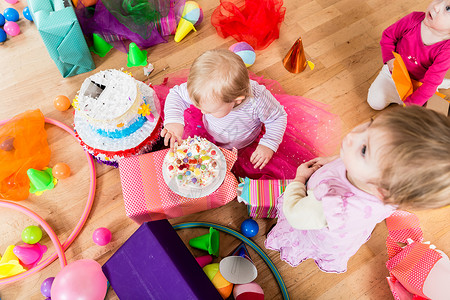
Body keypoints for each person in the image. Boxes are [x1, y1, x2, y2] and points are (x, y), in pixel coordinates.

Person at [265, 106, 450, 273]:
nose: (352, 136)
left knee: (295, 227)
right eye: (370, 125)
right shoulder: (386, 187)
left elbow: (295, 214)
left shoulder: (336, 205)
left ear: (383, 191)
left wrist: (299, 179)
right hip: (343, 227)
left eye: (363, 150)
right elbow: (361, 164)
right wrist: (336, 159)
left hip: (312, 228)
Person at [158, 49, 341, 179]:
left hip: (246, 142)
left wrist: (268, 144)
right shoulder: (206, 92)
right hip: (210, 134)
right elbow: (176, 95)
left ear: (236, 100)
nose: (201, 111)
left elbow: (278, 117)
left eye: (209, 109)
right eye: (199, 105)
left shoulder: (257, 101)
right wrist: (174, 122)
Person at [367, 0, 450, 110]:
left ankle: (438, 83)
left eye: (448, 8)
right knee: (375, 103)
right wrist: (390, 59)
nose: (436, 6)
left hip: (419, 83)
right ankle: (436, 84)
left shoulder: (446, 51)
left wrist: (411, 105)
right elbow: (388, 37)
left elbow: (430, 83)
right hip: (393, 72)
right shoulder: (413, 19)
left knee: (429, 106)